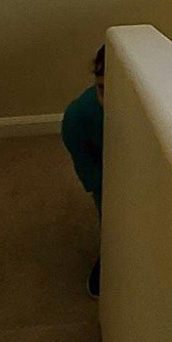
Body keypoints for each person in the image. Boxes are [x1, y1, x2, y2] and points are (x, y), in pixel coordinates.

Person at [61, 45, 105, 295]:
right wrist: (102, 185)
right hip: (105, 177)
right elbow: (84, 163)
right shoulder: (80, 116)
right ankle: (110, 255)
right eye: (102, 89)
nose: (110, 100)